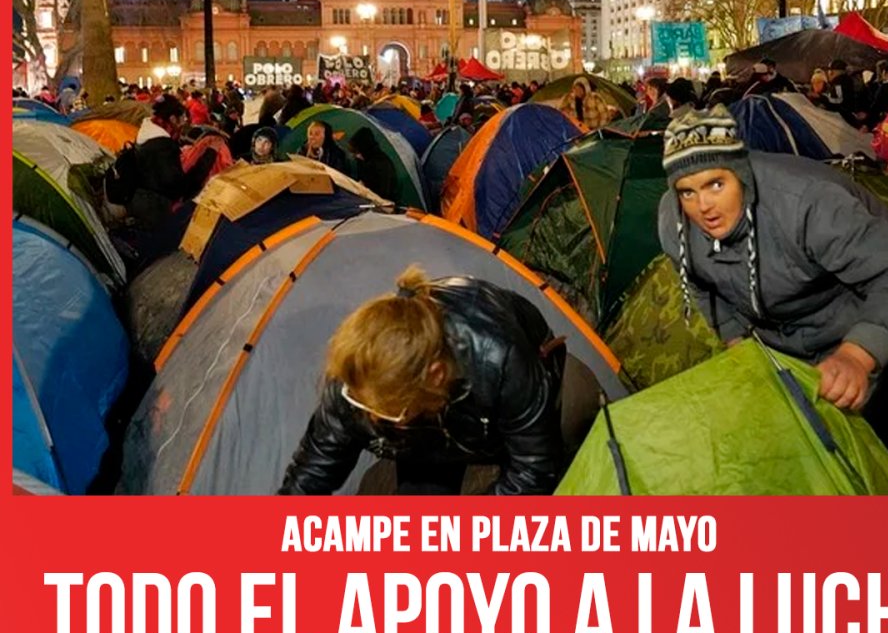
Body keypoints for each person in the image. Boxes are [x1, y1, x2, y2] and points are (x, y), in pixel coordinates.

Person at [657, 104, 888, 462]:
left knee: (878, 454)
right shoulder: (673, 222)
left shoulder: (805, 203)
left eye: (716, 185)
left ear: (740, 174)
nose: (704, 206)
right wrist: (735, 339)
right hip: (779, 344)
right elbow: (699, 283)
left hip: (858, 325)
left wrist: (858, 355)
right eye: (687, 192)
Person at [277, 265, 566, 495]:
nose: (371, 420)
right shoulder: (355, 374)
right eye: (364, 407)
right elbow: (311, 473)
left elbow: (534, 471)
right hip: (426, 426)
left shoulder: (499, 356)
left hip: (509, 394)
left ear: (435, 375)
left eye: (389, 412)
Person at [127, 95, 217, 228]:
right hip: (157, 212)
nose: (184, 122)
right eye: (182, 118)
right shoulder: (162, 147)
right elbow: (178, 187)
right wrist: (208, 157)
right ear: (173, 119)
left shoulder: (145, 136)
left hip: (143, 205)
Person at [348, 126, 396, 202]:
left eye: (357, 152)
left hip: (381, 201)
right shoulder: (363, 160)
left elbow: (384, 191)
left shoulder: (381, 163)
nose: (356, 156)